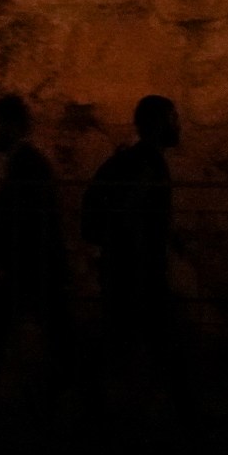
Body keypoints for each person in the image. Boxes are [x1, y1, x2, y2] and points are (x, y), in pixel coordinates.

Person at [0, 95, 77, 418]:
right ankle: (68, 397)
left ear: (11, 127)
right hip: (33, 268)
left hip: (29, 268)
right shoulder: (27, 163)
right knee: (54, 337)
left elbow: (20, 220)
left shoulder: (26, 165)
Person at [81, 94, 191, 423]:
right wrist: (146, 258)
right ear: (158, 122)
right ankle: (185, 413)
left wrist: (170, 238)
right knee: (153, 338)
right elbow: (132, 210)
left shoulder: (137, 159)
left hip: (126, 268)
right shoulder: (148, 162)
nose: (178, 125)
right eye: (173, 117)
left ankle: (94, 404)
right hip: (137, 271)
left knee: (130, 338)